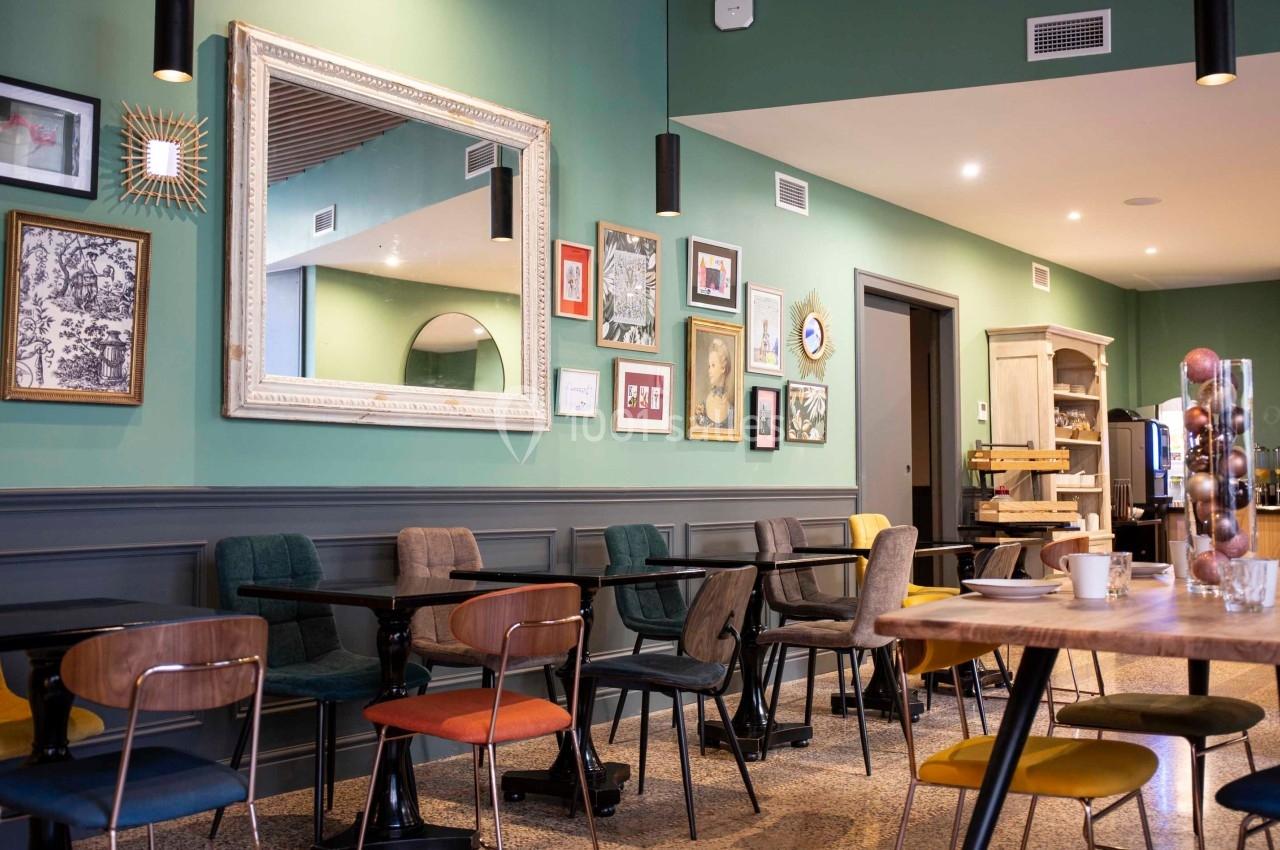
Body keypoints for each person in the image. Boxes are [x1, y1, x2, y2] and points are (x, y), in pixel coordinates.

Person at [694, 337, 735, 429]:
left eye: (713, 365)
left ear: (723, 368)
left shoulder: (732, 409)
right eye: (709, 366)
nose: (709, 370)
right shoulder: (702, 407)